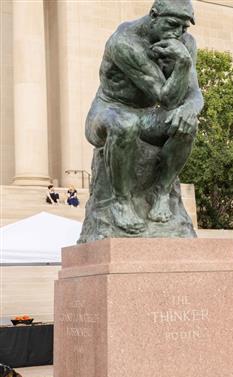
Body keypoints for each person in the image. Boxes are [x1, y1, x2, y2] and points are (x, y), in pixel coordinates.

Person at [84, 0, 203, 234]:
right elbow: (165, 98)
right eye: (172, 24)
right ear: (154, 15)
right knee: (124, 124)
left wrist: (191, 110)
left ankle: (162, 193)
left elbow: (194, 94)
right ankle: (121, 202)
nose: (178, 33)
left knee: (187, 125)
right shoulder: (125, 42)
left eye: (184, 27)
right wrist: (182, 65)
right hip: (109, 111)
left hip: (146, 116)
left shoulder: (185, 43)